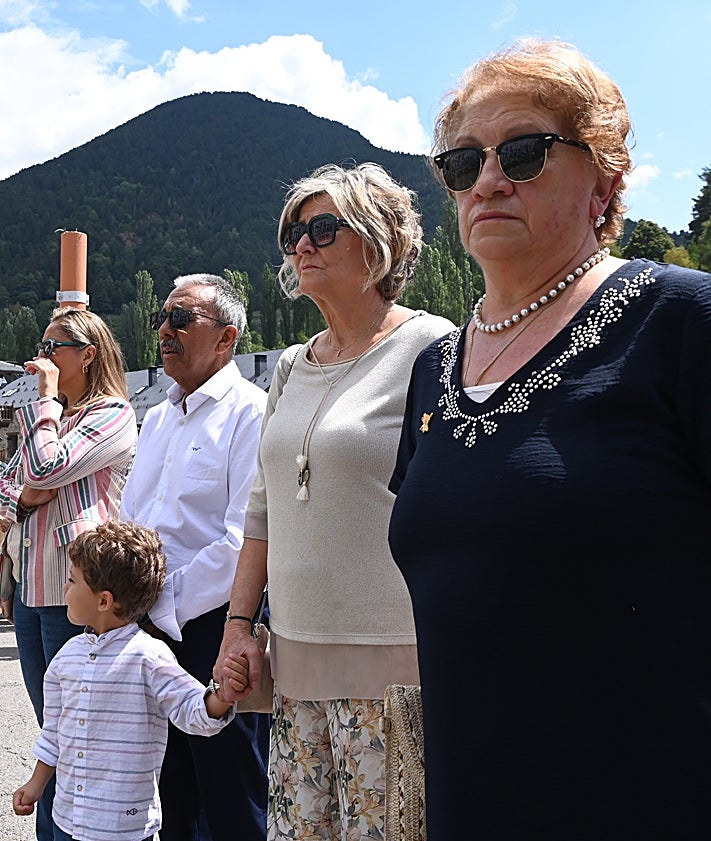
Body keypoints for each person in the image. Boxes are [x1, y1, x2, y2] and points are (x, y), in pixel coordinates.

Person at [387, 38, 711, 840]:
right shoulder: (433, 368)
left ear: (603, 175)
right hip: (474, 799)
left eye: (524, 151)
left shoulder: (679, 318)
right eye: (462, 163)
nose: (488, 179)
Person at [212, 161, 454, 840]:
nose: (302, 245)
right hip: (294, 664)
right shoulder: (290, 363)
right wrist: (239, 623)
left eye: (323, 227)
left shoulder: (431, 349)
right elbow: (262, 505)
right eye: (293, 231)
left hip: (394, 664)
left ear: (379, 242)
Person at [119, 272, 269, 841]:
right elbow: (133, 521)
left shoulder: (252, 413)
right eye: (163, 317)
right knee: (166, 795)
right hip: (149, 626)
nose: (164, 331)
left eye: (182, 320)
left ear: (227, 339)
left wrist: (163, 602)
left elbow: (245, 539)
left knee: (232, 796)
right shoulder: (155, 418)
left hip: (214, 629)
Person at [12, 519, 245, 841]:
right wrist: (35, 785)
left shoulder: (149, 657)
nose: (65, 589)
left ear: (104, 601)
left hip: (124, 827)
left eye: (71, 580)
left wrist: (223, 694)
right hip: (69, 818)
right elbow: (53, 732)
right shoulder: (66, 657)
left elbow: (192, 710)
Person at [0, 307, 138, 841]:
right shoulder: (53, 421)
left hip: (75, 596)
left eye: (55, 346)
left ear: (88, 354)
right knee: (49, 735)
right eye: (43, 344)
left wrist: (44, 405)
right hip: (34, 592)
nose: (43, 357)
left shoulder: (112, 414)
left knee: (75, 736)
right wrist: (30, 493)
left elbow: (41, 469)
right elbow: (11, 488)